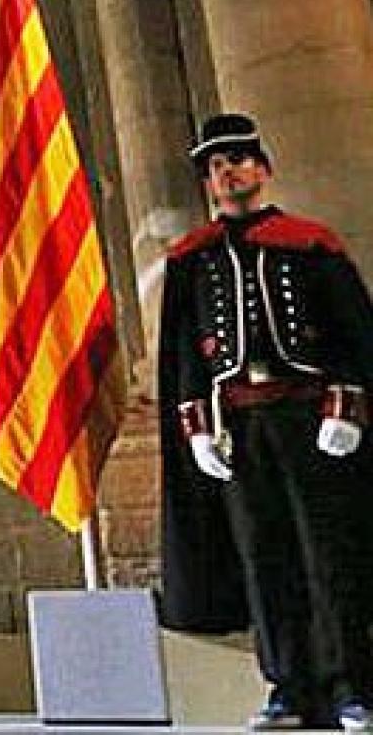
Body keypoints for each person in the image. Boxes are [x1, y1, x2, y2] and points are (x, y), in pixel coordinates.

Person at [158, 113, 373, 732]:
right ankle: (287, 687)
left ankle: (350, 685)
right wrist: (197, 429)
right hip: (240, 428)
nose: (228, 172)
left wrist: (346, 408)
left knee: (326, 553)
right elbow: (183, 357)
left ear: (264, 168)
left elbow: (352, 334)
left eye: (238, 159)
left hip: (309, 418)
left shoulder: (311, 243)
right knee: (263, 557)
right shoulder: (191, 259)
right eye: (216, 165)